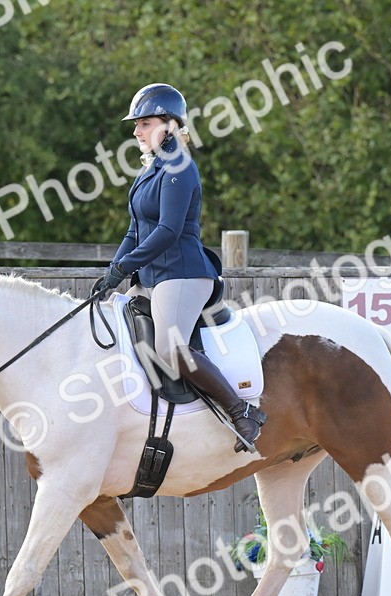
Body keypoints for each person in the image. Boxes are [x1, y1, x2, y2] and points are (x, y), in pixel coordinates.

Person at [93, 83, 267, 454]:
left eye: (143, 122)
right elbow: (134, 230)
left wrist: (124, 266)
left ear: (170, 124)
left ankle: (241, 411)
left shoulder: (180, 167)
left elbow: (168, 231)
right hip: (151, 276)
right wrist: (112, 272)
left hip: (183, 274)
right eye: (135, 124)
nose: (136, 130)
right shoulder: (150, 170)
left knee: (170, 347)